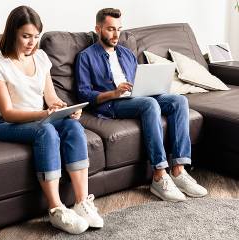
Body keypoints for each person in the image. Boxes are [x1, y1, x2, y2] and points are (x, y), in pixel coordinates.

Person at [0, 6, 103, 234]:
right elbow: (7, 112)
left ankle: (81, 202)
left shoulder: (41, 56)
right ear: (12, 34)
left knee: (73, 126)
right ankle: (56, 209)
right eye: (26, 36)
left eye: (36, 36)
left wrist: (64, 109)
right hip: (6, 124)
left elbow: (51, 97)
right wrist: (43, 115)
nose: (32, 42)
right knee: (45, 131)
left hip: (40, 118)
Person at [75, 8, 208, 202]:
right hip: (111, 104)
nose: (116, 34)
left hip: (136, 96)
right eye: (110, 29)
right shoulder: (86, 57)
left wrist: (151, 86)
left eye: (119, 29)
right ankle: (159, 175)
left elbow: (139, 81)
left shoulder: (127, 54)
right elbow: (84, 94)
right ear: (98, 28)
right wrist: (115, 92)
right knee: (149, 105)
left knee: (179, 100)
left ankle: (178, 171)